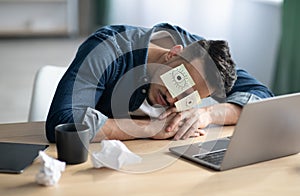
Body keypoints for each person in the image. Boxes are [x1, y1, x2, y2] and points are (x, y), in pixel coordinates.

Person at [45, 23, 273, 143]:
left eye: (190, 97)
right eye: (179, 81)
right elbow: (62, 122)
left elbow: (261, 95)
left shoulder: (202, 57)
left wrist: (207, 115)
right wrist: (148, 129)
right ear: (173, 54)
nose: (175, 99)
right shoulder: (107, 49)